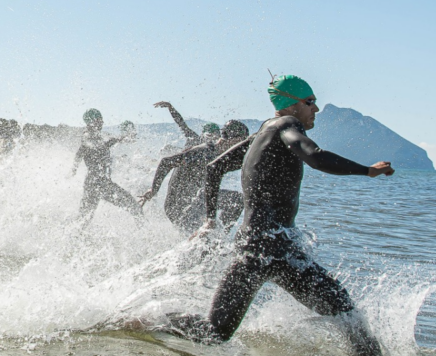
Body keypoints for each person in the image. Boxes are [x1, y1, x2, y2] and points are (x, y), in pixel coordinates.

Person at [160, 75, 394, 356]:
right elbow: (315, 156)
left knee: (215, 331)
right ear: (291, 104)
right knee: (346, 313)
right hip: (274, 248)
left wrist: (211, 219)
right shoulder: (286, 125)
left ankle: (148, 320)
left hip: (253, 246)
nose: (316, 108)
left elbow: (215, 168)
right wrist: (367, 170)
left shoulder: (264, 132)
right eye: (310, 102)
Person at [139, 120, 250, 232]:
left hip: (191, 205)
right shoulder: (204, 151)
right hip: (178, 210)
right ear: (234, 139)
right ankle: (218, 234)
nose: (242, 149)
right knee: (236, 199)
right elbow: (166, 162)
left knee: (232, 200)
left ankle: (219, 234)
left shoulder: (219, 156)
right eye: (242, 142)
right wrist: (154, 190)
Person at [70, 108, 145, 221]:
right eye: (99, 120)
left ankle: (68, 232)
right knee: (134, 207)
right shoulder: (87, 135)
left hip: (95, 183)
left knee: (83, 219)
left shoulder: (96, 136)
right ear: (91, 121)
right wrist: (74, 169)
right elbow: (86, 148)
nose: (102, 122)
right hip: (99, 183)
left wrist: (121, 138)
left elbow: (97, 147)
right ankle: (146, 231)